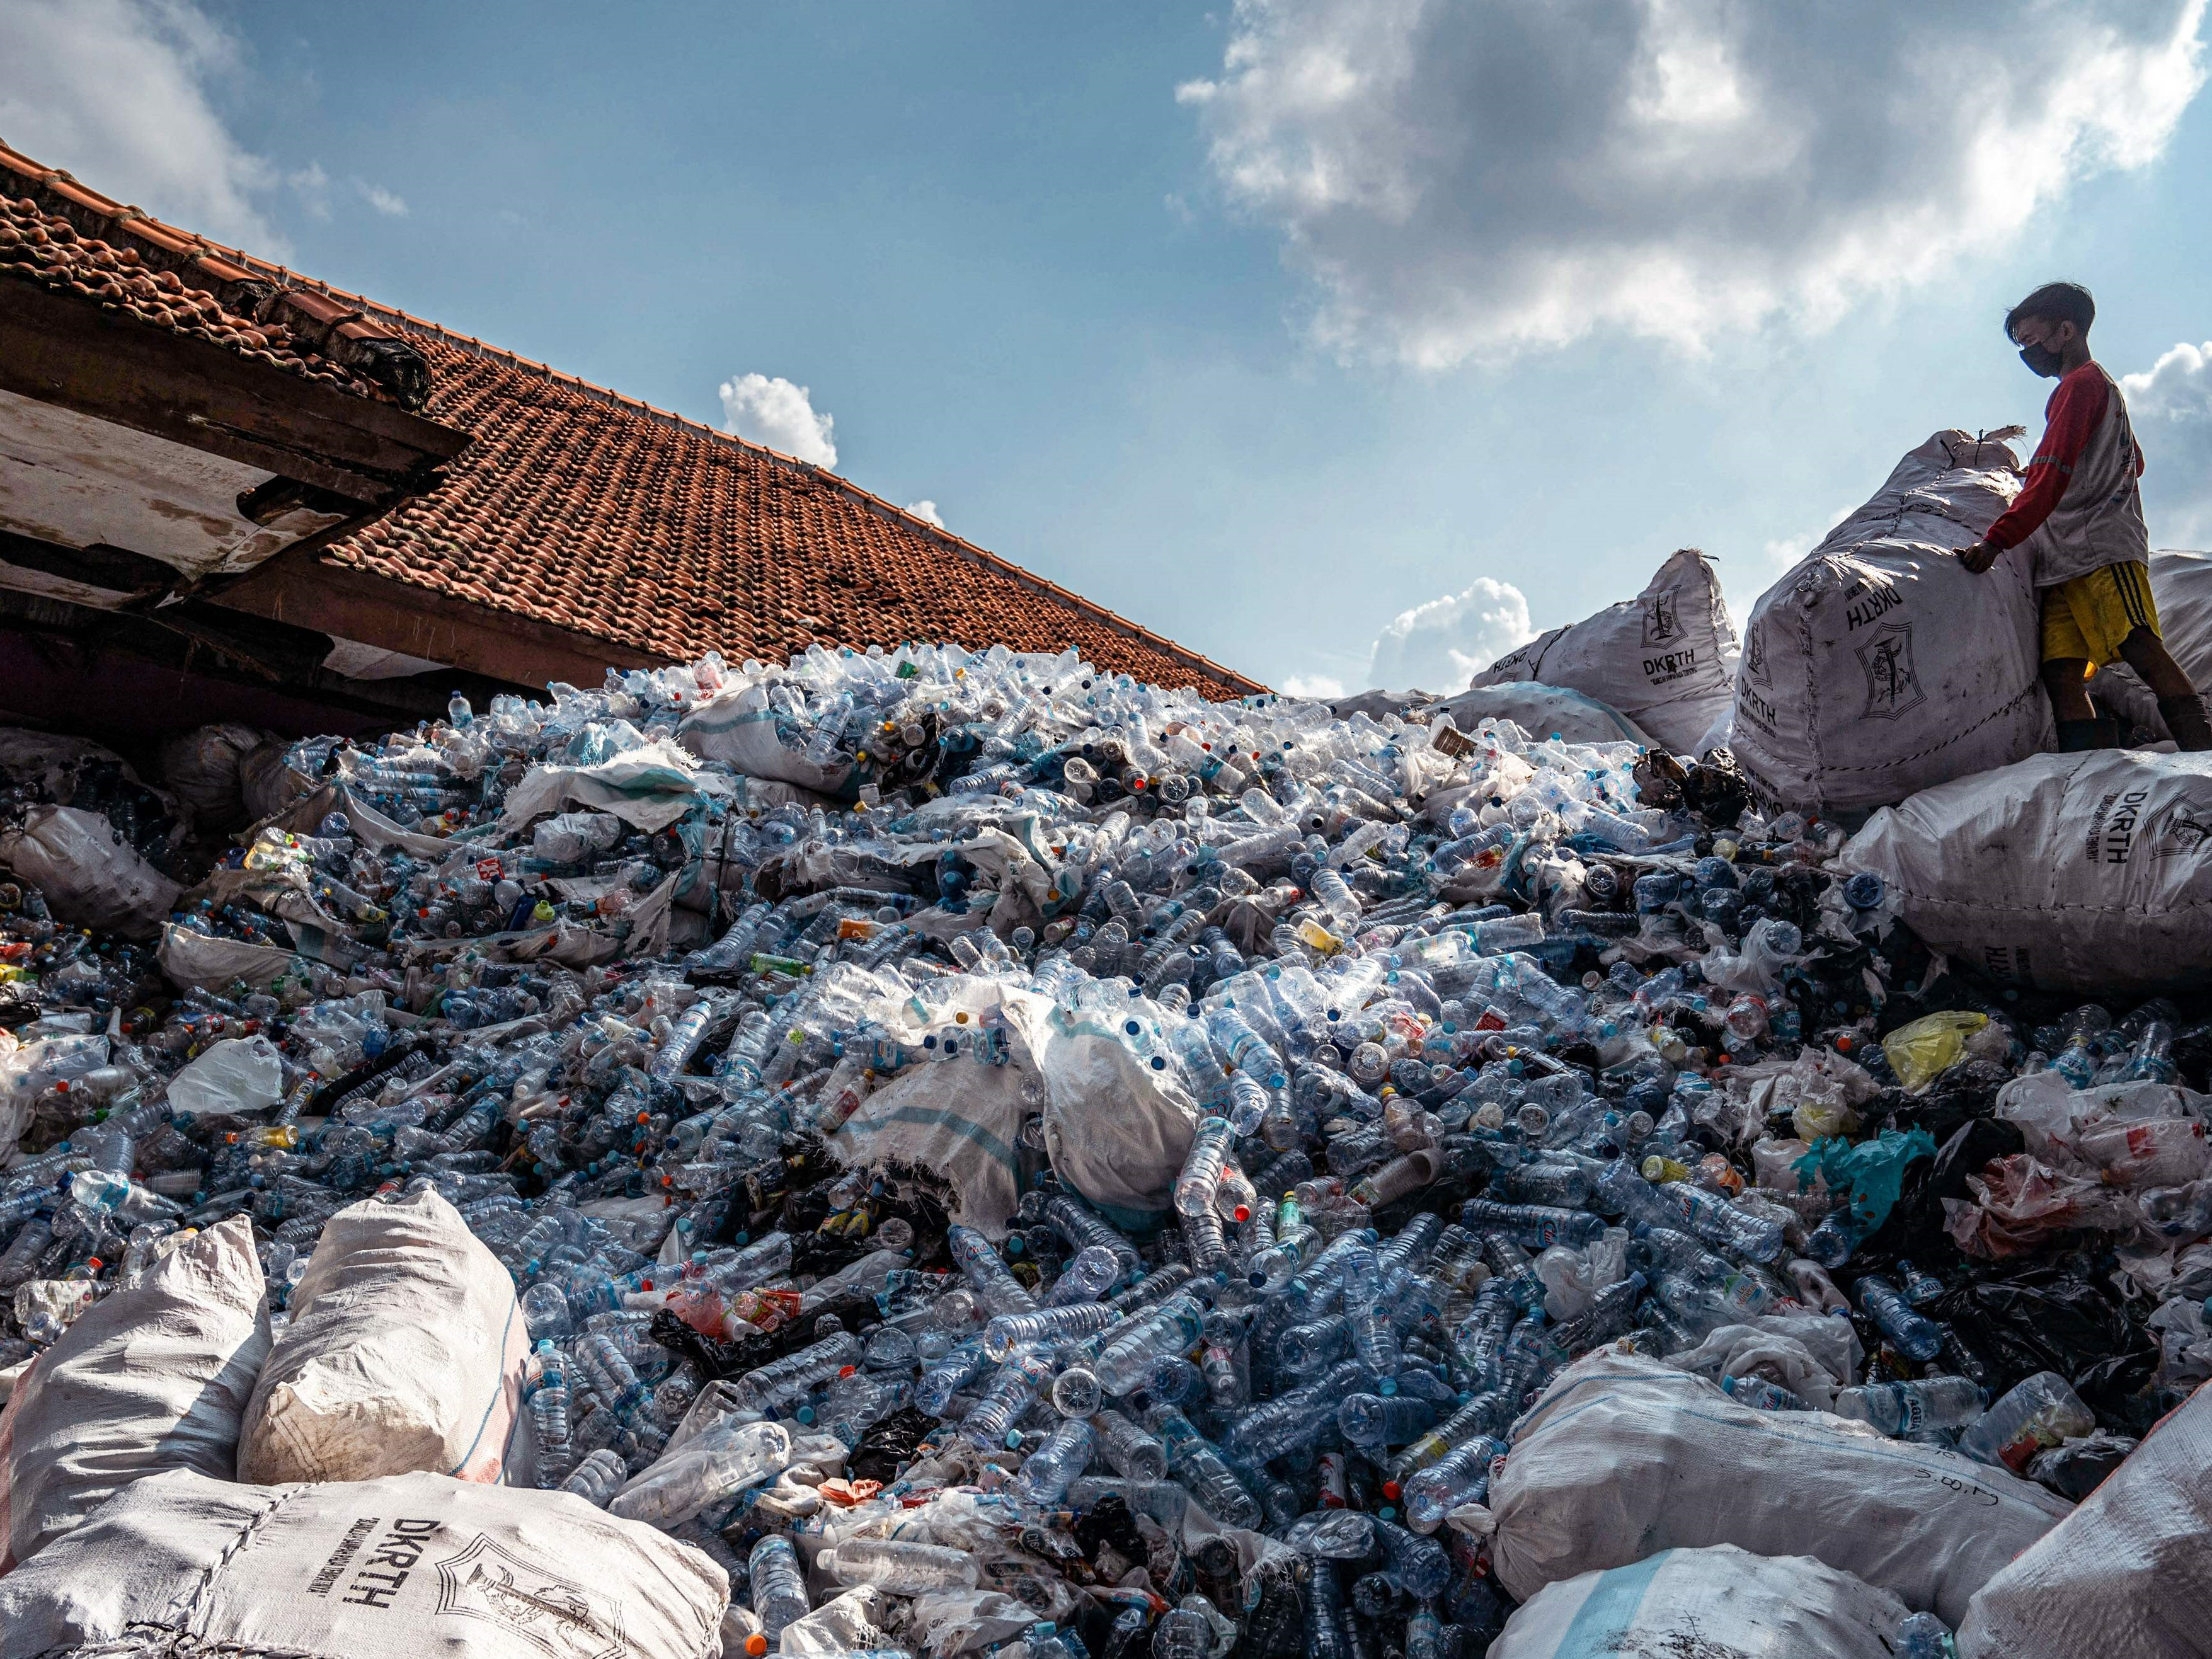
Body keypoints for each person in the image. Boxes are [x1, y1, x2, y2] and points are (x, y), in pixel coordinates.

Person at [1957, 281, 2212, 751]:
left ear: (2066, 330)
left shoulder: (2080, 387)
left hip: (2101, 549)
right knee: (2061, 671)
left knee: (2139, 646)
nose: (2028, 353)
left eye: (2032, 340)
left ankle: (2202, 750)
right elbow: (2133, 461)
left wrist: (1995, 541)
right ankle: (2092, 768)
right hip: (2062, 558)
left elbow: (2052, 473)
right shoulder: (2099, 389)